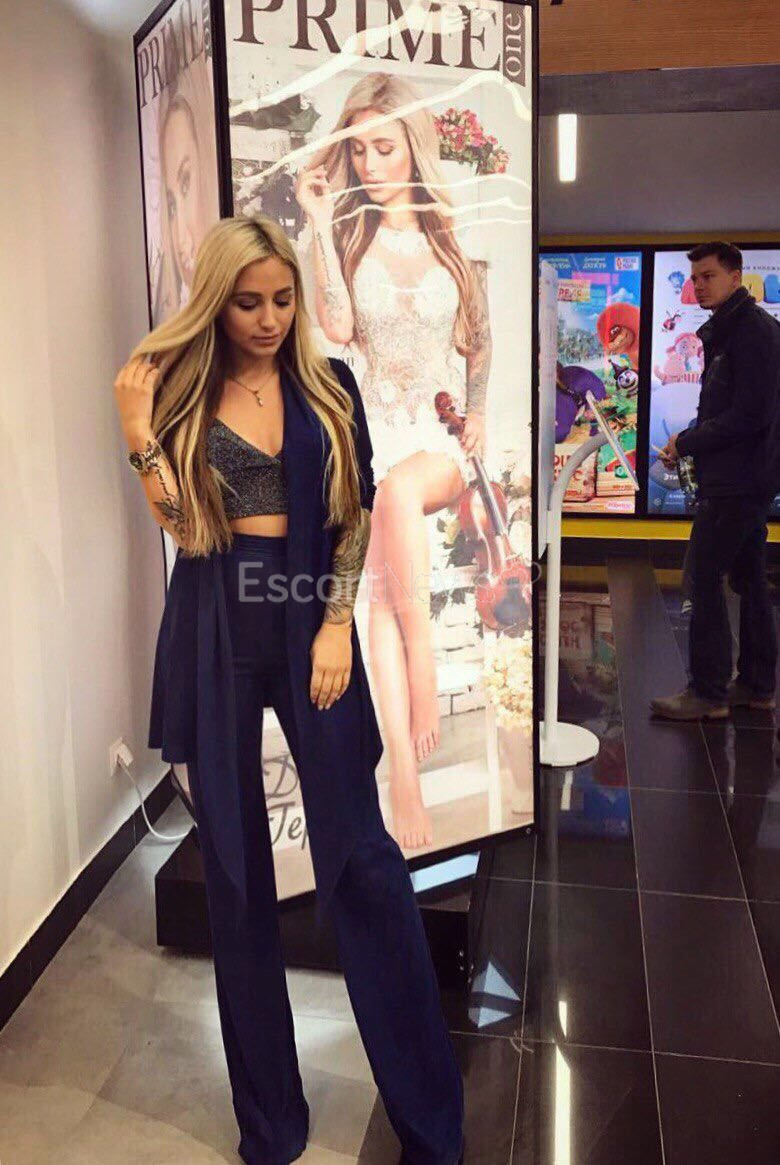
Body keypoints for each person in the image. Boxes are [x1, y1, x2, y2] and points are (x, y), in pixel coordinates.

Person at [114, 215, 465, 1165]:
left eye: (282, 299)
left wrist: (336, 621)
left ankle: (431, 1122)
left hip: (311, 610)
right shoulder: (184, 394)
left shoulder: (328, 384)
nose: (269, 319)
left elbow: (353, 510)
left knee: (363, 860)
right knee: (235, 878)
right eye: (247, 302)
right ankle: (271, 1124)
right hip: (216, 623)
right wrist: (140, 432)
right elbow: (187, 527)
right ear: (215, 302)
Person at [295, 72, 492, 851]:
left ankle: (423, 666)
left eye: (385, 147)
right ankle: (403, 770)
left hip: (435, 446)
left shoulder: (447, 240)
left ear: (413, 146)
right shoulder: (349, 238)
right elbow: (339, 328)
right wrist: (319, 223)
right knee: (374, 593)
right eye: (360, 151)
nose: (372, 164)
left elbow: (480, 337)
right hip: (372, 439)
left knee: (401, 494)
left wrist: (478, 410)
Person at [651, 241, 780, 720]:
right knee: (749, 580)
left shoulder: (753, 333)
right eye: (694, 278)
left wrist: (688, 441)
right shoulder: (731, 331)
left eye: (708, 276)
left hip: (738, 482)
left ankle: (708, 693)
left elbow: (749, 416)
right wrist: (692, 440)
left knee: (702, 578)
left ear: (735, 277)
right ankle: (757, 686)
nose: (698, 286)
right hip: (742, 478)